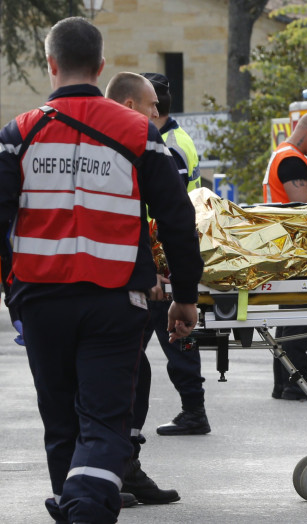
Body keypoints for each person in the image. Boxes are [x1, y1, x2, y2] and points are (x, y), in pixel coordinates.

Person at [0, 17, 203, 524]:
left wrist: (12, 293)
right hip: (115, 301)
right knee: (105, 419)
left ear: (50, 65)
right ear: (101, 66)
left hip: (41, 300)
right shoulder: (139, 133)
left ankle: (72, 504)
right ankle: (86, 507)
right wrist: (185, 295)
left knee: (60, 417)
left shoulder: (18, 134)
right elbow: (178, 219)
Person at [104, 71, 186, 506]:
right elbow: (134, 219)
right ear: (132, 106)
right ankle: (104, 479)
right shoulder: (128, 143)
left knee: (134, 373)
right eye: (153, 105)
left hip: (89, 284)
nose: (160, 113)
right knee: (116, 379)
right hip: (105, 285)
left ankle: (121, 469)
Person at [134, 72, 210, 437]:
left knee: (173, 333)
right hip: (165, 255)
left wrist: (165, 270)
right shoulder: (172, 139)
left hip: (162, 258)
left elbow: (171, 210)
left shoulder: (168, 145)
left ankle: (193, 410)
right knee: (174, 335)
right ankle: (193, 409)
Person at [263, 110, 307, 400]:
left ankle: (284, 383)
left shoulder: (285, 155)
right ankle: (297, 382)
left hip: (287, 246)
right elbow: (301, 201)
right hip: (296, 247)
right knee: (299, 318)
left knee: (292, 316)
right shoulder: (292, 159)